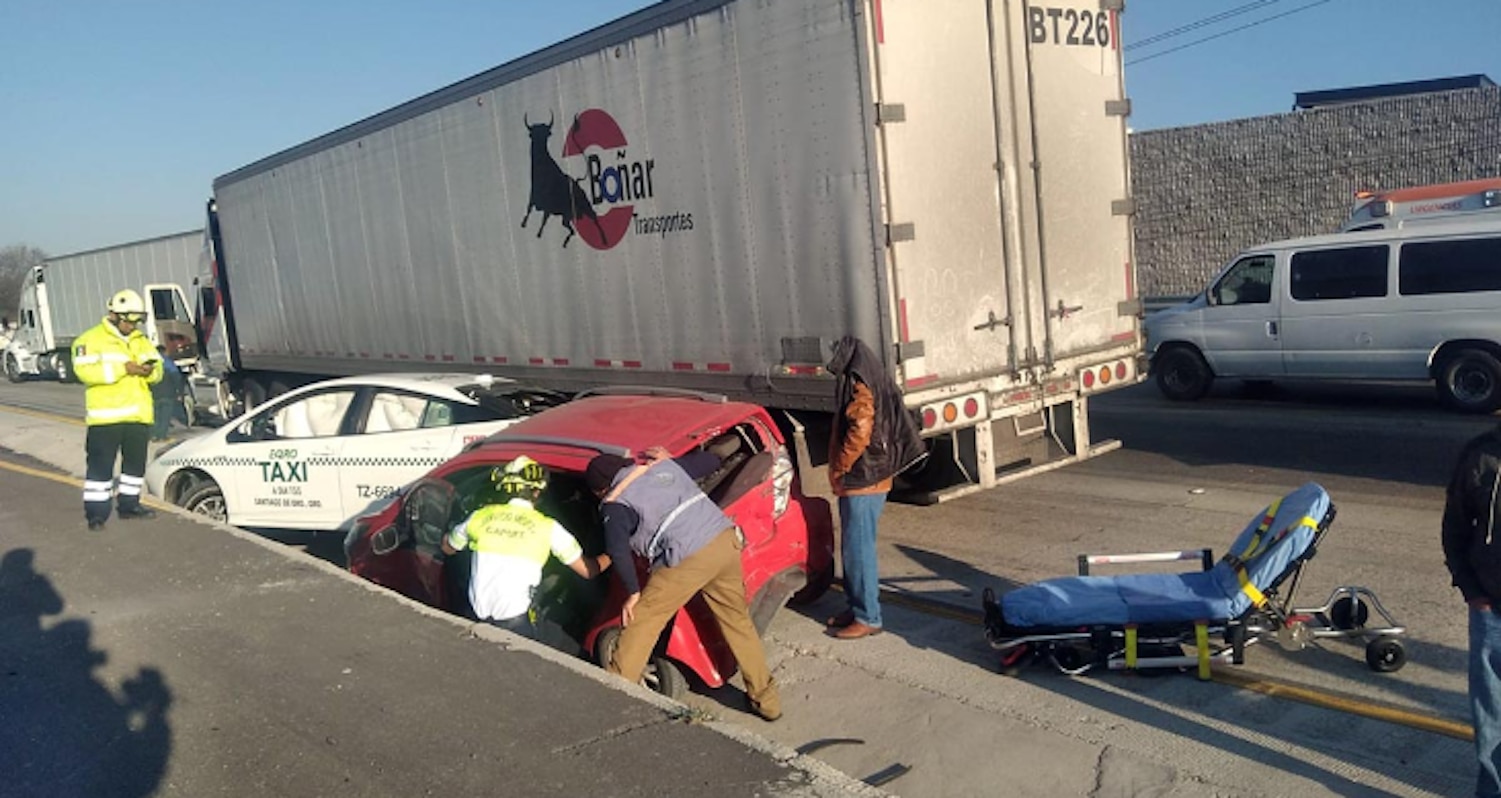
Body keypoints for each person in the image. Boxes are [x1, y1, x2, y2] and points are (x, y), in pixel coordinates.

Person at [586, 446, 782, 722]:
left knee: (642, 622)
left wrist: (632, 592)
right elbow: (711, 460)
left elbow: (618, 551)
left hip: (686, 556)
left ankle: (614, 701)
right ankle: (767, 702)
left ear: (601, 490)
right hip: (724, 541)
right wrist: (672, 460)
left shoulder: (615, 504)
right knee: (738, 622)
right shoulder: (662, 467)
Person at [442, 456, 610, 652]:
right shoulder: (549, 528)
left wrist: (448, 534)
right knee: (572, 652)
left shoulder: (478, 517)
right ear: (537, 492)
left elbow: (448, 547)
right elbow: (588, 571)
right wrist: (614, 553)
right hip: (516, 625)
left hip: (474, 618)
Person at [824, 335, 925, 640]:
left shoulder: (860, 383)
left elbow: (861, 427)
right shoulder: (872, 374)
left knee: (858, 550)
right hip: (872, 476)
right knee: (855, 547)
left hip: (863, 478)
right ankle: (857, 606)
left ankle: (867, 616)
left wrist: (842, 465)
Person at [71, 290, 163, 531]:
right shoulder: (89, 340)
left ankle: (129, 506)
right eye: (129, 320)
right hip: (106, 419)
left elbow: (158, 370)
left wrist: (149, 372)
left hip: (138, 416)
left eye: (136, 321)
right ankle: (96, 515)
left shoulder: (140, 340)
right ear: (114, 315)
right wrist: (124, 369)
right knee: (100, 469)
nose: (132, 326)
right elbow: (85, 372)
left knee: (134, 467)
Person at [1442, 425, 1501, 798]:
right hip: (1491, 609)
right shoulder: (1481, 456)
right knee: (1492, 713)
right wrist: (1472, 590)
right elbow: (1455, 527)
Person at [149, 346, 186, 441]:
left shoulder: (151, 363)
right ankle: (162, 436)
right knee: (165, 416)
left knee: (156, 416)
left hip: (154, 394)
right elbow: (176, 378)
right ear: (164, 352)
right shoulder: (168, 363)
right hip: (168, 393)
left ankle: (154, 435)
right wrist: (180, 392)